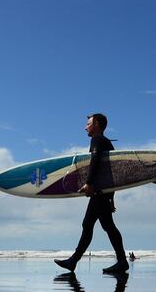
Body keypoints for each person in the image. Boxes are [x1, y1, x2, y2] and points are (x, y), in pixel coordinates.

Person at [55, 113, 129, 275]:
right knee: (90, 225)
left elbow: (95, 161)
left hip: (98, 191)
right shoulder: (106, 143)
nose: (85, 127)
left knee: (105, 226)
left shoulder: (97, 140)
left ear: (96, 124)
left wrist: (88, 183)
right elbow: (110, 173)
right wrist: (111, 197)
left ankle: (122, 261)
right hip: (102, 192)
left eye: (88, 124)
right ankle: (73, 261)